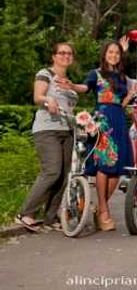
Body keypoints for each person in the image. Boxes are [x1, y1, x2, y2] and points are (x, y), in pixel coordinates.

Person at [70, 38, 137, 231]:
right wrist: (73, 86)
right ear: (104, 54)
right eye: (110, 52)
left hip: (119, 118)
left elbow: (120, 103)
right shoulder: (96, 73)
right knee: (104, 163)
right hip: (103, 120)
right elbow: (85, 87)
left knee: (117, 169)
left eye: (117, 53)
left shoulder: (122, 77)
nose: (114, 56)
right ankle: (103, 211)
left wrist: (130, 95)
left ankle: (99, 208)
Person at [16, 43, 79, 232]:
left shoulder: (68, 81)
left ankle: (50, 218)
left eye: (69, 54)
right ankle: (25, 213)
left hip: (66, 130)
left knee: (64, 175)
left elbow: (69, 107)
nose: (65, 56)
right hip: (47, 129)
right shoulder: (45, 74)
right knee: (52, 171)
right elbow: (37, 97)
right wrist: (48, 99)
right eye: (62, 53)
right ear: (54, 56)